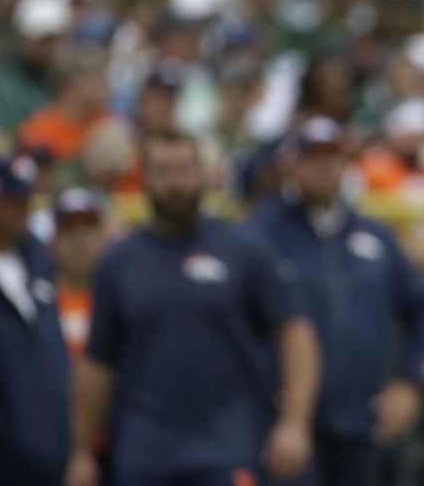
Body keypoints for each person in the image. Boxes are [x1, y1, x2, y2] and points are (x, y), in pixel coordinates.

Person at [66, 128, 321, 486]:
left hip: (230, 446)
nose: (175, 183)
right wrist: (80, 452)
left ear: (202, 173)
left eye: (184, 169)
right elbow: (97, 363)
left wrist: (295, 422)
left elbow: (296, 331)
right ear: (144, 177)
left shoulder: (244, 249)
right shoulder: (119, 262)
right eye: (163, 171)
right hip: (145, 450)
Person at [248, 115, 424, 486]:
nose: (323, 168)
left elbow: (422, 306)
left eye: (332, 157)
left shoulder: (374, 235)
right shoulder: (259, 234)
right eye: (312, 158)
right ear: (292, 165)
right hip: (281, 427)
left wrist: (410, 383)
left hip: (364, 424)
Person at [0, 155, 69, 485]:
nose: (23, 210)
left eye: (24, 201)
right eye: (12, 201)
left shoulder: (37, 259)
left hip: (48, 456)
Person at [50, 187, 109, 360]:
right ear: (54, 240)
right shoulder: (38, 304)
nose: (79, 237)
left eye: (88, 227)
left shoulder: (121, 301)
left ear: (102, 236)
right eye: (69, 228)